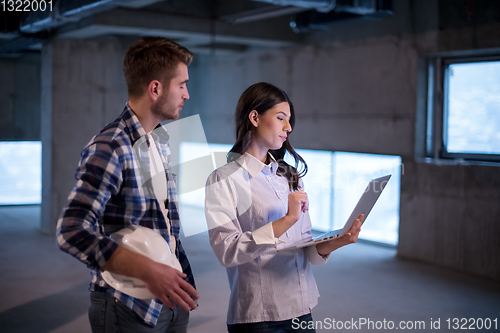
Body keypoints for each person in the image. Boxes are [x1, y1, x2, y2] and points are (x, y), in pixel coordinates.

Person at [56, 36, 199, 333]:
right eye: (181, 85)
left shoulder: (159, 140)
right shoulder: (111, 146)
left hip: (168, 297)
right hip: (126, 305)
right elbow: (71, 230)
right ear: (155, 89)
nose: (187, 94)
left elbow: (163, 223)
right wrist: (146, 270)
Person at [204, 82, 364, 333]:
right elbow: (227, 251)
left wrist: (339, 240)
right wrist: (287, 219)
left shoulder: (290, 176)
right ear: (255, 117)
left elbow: (305, 249)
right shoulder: (223, 179)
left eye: (289, 120)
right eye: (281, 118)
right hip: (260, 317)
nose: (288, 127)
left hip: (302, 308)